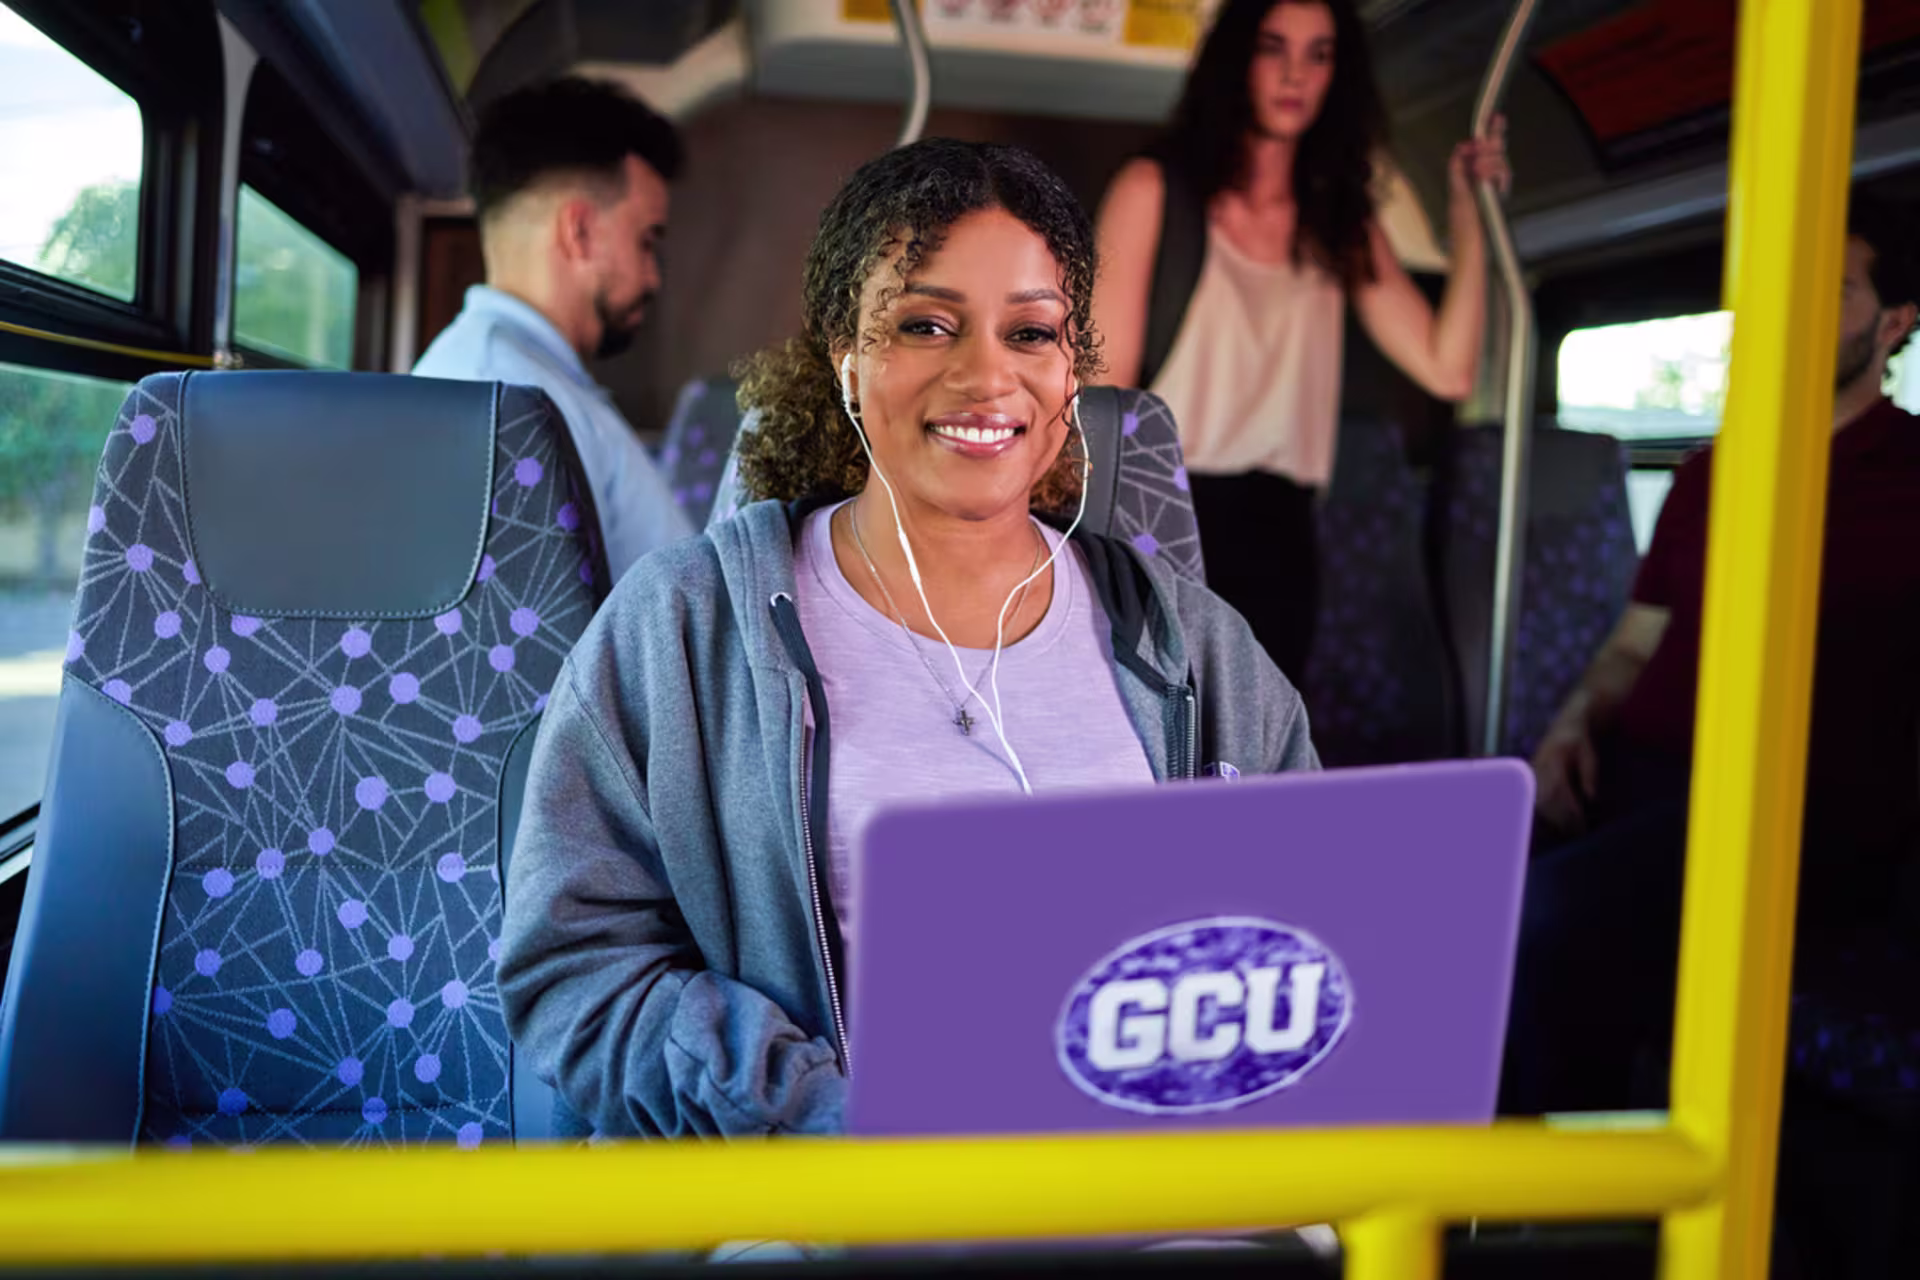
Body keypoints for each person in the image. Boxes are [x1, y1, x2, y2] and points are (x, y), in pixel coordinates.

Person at [496, 138, 1319, 1138]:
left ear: (1072, 374)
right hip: (833, 1204)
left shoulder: (1199, 647)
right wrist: (825, 1119)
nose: (987, 377)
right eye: (926, 324)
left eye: (1032, 333)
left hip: (1158, 1195)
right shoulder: (684, 625)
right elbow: (578, 962)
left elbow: (1301, 956)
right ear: (845, 356)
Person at [1506, 195, 1920, 1120]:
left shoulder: (1908, 474)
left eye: (1838, 290)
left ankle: (1567, 1210)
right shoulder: (1711, 472)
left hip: (1798, 813)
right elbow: (1634, 643)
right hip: (1642, 779)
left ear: (1895, 323)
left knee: (1554, 919)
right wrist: (1571, 728)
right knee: (1444, 895)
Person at [1093, 0, 1507, 679]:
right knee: (1163, 754)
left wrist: (1469, 213)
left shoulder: (1337, 219)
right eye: (1273, 48)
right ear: (1236, 63)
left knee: (1259, 763)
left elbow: (1448, 370)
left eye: (1319, 55)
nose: (1295, 75)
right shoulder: (1154, 191)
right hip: (1163, 518)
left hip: (1285, 532)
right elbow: (1101, 401)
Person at [413, 77, 694, 580]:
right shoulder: (506, 400)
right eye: (646, 241)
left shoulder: (517, 377)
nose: (653, 277)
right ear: (580, 232)